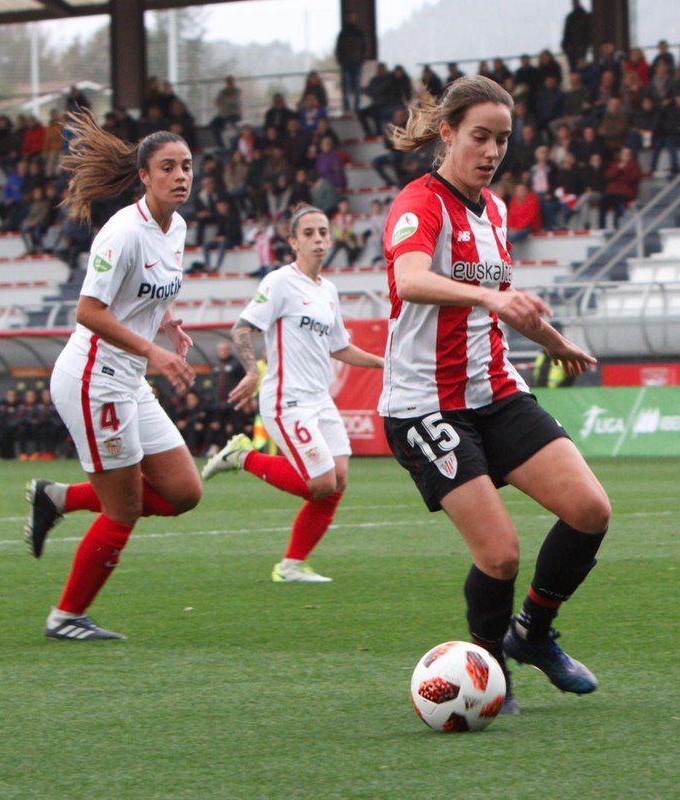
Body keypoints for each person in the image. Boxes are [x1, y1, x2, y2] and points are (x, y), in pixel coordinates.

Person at [378, 76, 607, 713]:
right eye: (480, 136)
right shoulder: (418, 205)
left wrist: (555, 341)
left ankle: (532, 632)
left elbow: (505, 303)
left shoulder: (496, 211)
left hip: (496, 391)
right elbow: (412, 279)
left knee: (590, 509)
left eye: (502, 140)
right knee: (500, 555)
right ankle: (485, 666)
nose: (491, 151)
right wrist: (487, 295)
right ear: (447, 132)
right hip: (426, 403)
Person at [22, 113, 202, 641]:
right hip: (93, 378)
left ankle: (58, 498)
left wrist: (166, 322)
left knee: (183, 493)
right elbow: (89, 311)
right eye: (168, 167)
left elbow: (144, 293)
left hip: (128, 378)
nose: (180, 176)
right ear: (144, 177)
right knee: (123, 508)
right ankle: (66, 617)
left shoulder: (178, 228)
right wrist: (155, 353)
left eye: (186, 166)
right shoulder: (121, 232)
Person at [201, 205, 384, 582]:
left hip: (320, 400)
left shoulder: (329, 291)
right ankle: (243, 457)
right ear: (293, 242)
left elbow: (340, 347)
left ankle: (292, 565)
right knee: (320, 482)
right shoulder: (280, 282)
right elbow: (242, 328)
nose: (319, 239)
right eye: (310, 233)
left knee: (339, 480)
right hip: (288, 399)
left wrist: (384, 363)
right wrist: (252, 370)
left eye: (323, 232)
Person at [562, 0, 592, 70]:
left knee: (581, 69)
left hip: (581, 48)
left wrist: (585, 45)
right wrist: (565, 47)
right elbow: (566, 33)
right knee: (574, 70)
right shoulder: (570, 17)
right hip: (571, 49)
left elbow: (588, 33)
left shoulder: (585, 16)